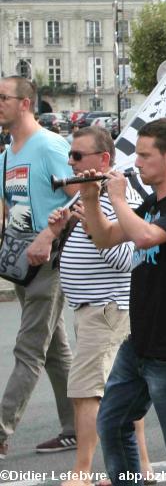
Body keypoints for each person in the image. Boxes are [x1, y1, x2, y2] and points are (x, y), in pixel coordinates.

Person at [80, 118, 166, 484]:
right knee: (112, 422)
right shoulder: (154, 202)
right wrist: (93, 200)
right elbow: (106, 236)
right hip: (140, 342)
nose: (136, 163)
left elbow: (145, 238)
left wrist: (118, 198)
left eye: (144, 155)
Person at [45, 127, 155, 485]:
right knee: (123, 393)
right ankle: (139, 468)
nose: (71, 162)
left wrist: (92, 221)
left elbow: (127, 257)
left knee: (85, 392)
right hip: (93, 309)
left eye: (78, 156)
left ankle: (83, 472)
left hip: (107, 308)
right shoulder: (87, 197)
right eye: (71, 155)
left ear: (103, 160)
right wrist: (63, 229)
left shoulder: (114, 198)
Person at [0, 76, 77, 460]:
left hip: (48, 261)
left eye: (3, 97)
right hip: (20, 262)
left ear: (25, 103)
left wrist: (49, 234)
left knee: (29, 348)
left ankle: (1, 429)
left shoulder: (49, 146)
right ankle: (76, 427)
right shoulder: (7, 153)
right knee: (54, 349)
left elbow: (83, 196)